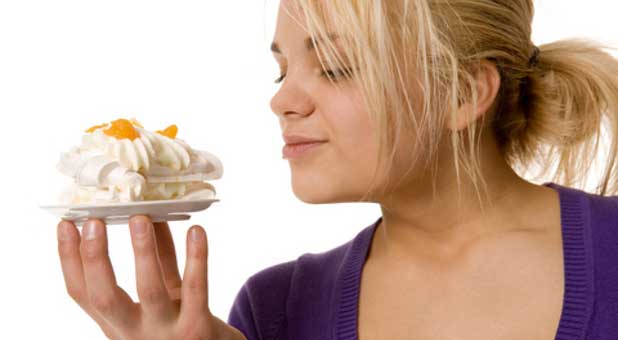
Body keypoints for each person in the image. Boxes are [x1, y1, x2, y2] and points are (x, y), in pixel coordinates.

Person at [56, 0, 618, 339]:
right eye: (281, 72)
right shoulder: (273, 312)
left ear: (464, 94)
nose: (283, 102)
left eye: (335, 67)